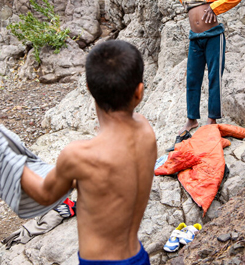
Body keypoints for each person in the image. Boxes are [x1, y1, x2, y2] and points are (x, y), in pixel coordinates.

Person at [20, 40, 157, 265]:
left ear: (89, 89)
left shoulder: (79, 156)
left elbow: (45, 195)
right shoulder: (146, 131)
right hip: (138, 257)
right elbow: (114, 176)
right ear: (139, 92)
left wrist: (12, 161)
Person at [130, 0, 242, 150]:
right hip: (195, 38)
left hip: (214, 36)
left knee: (214, 77)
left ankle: (212, 120)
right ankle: (192, 119)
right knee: (192, 78)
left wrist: (215, 7)